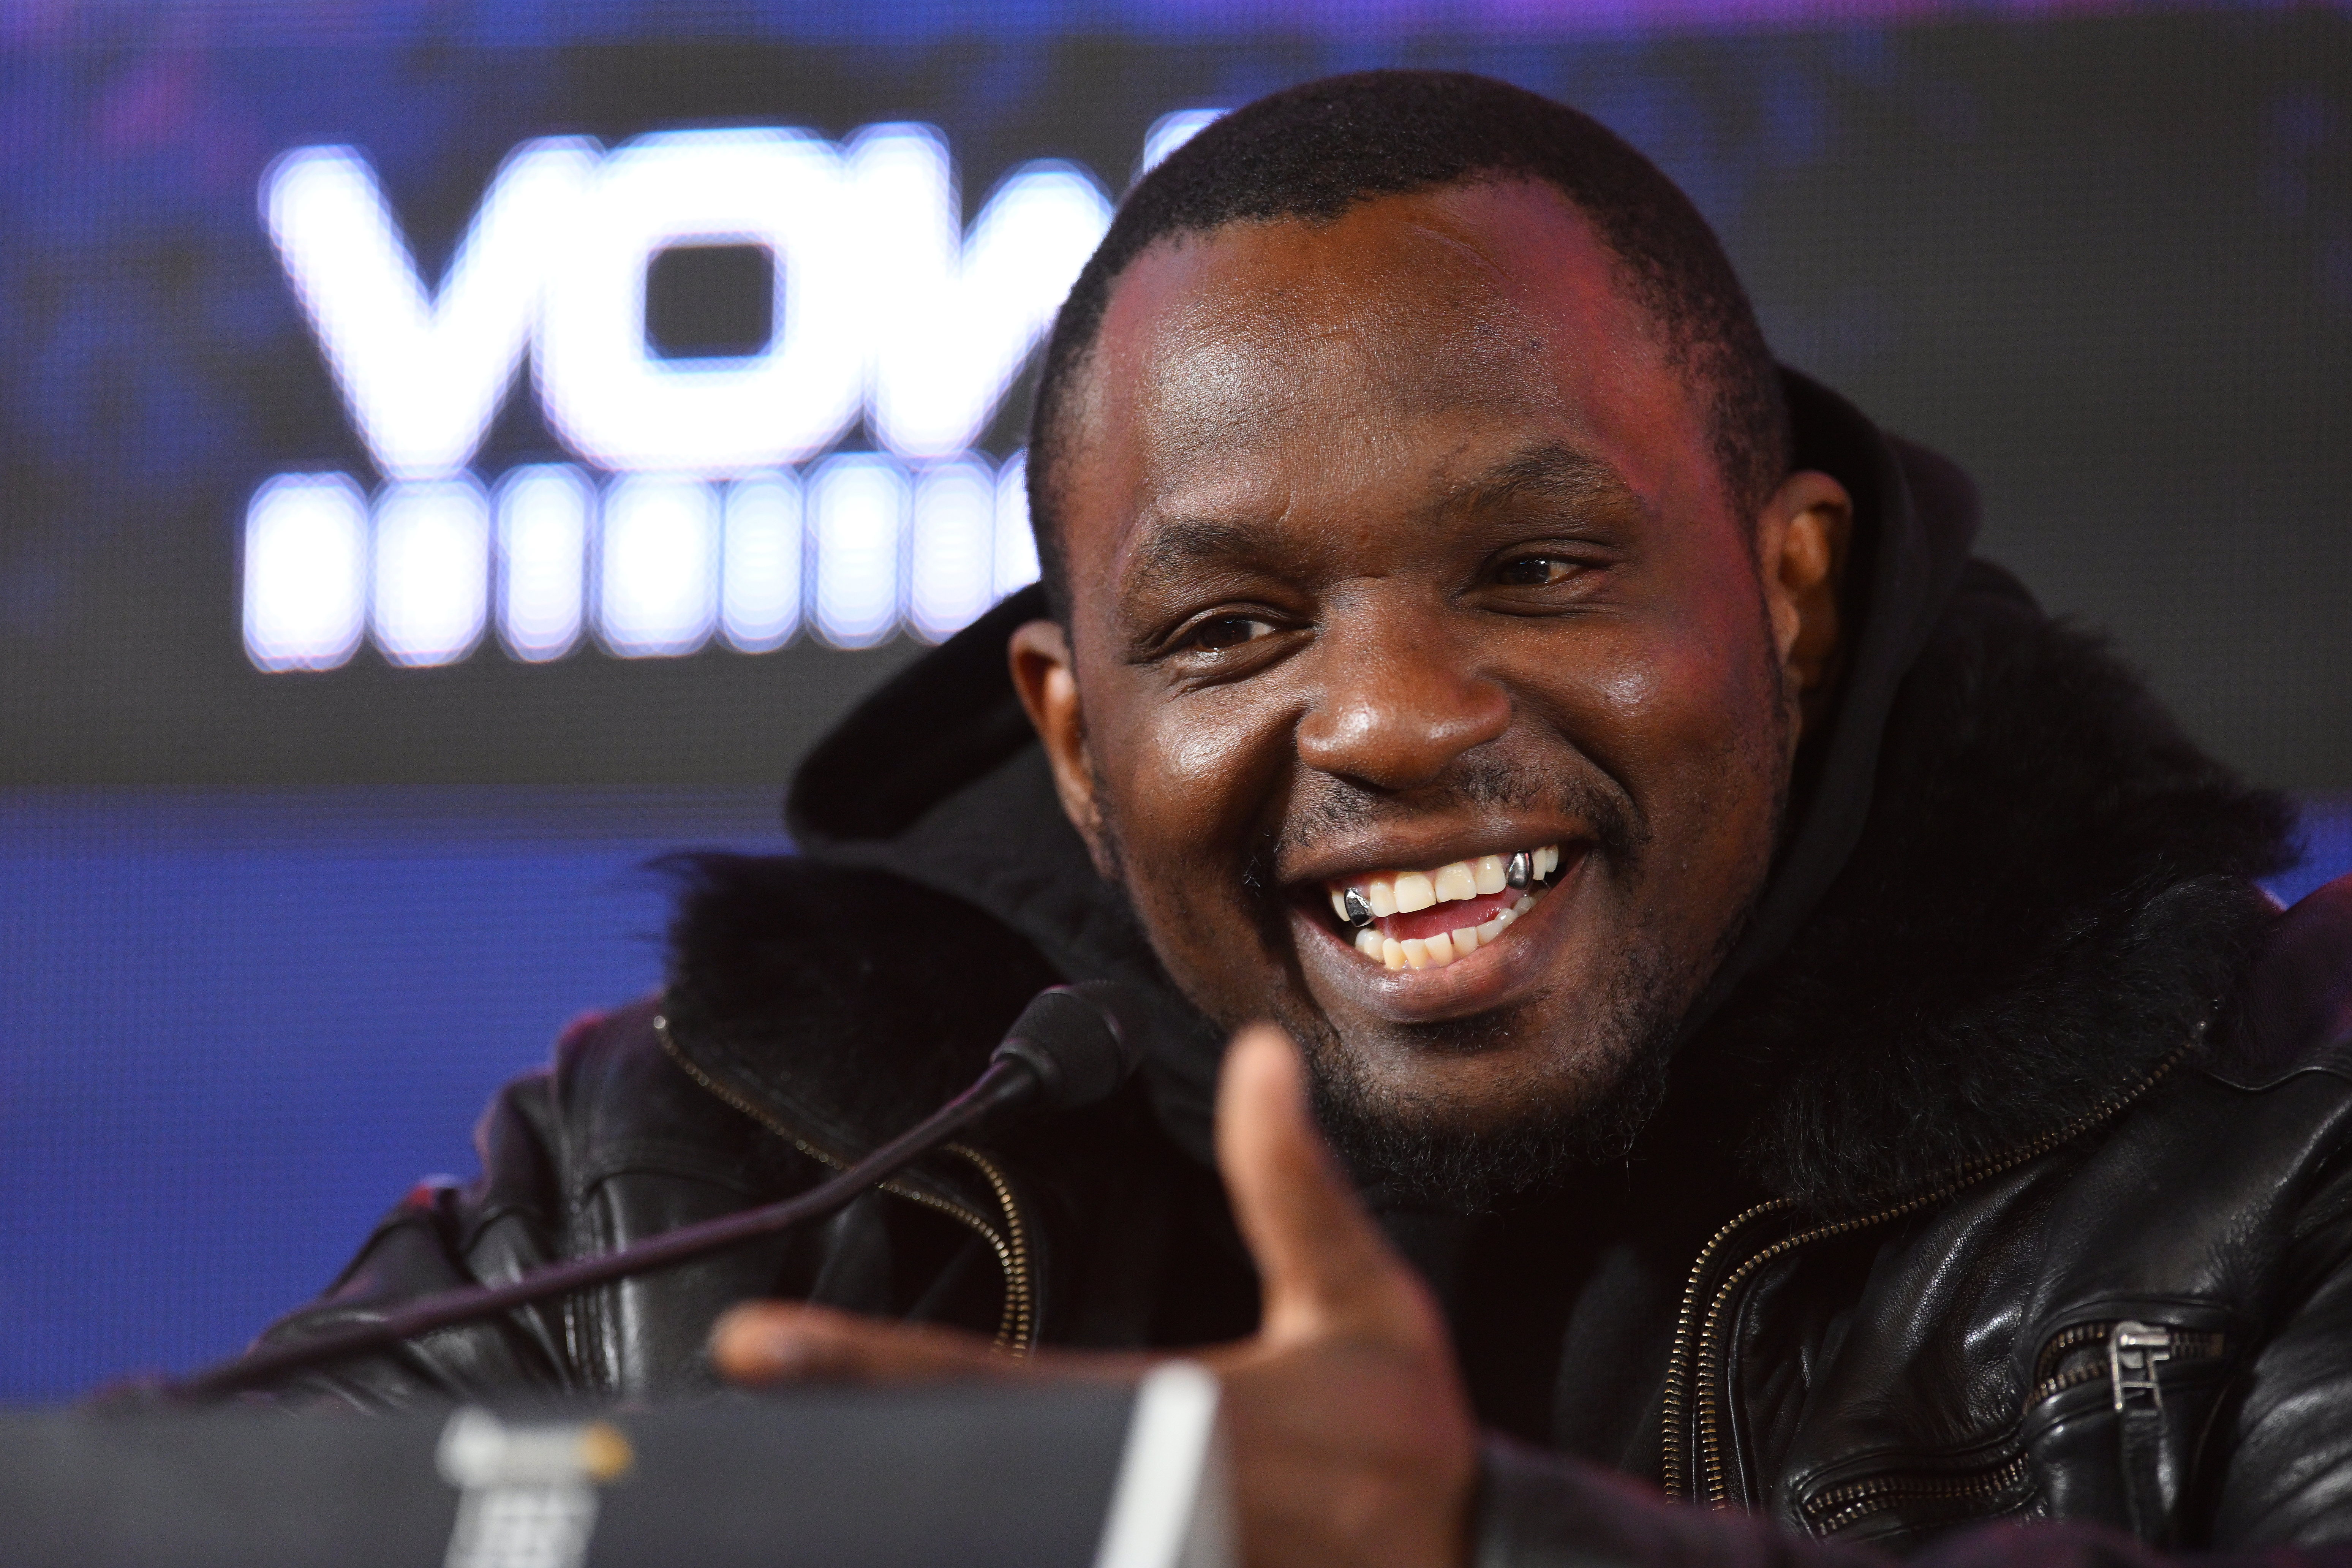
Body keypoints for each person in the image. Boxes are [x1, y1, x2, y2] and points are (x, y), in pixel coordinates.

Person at [256, 71, 2352, 1566]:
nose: (1395, 720)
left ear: (1790, 600)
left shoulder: (2281, 1148)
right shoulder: (699, 1190)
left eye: (1537, 570)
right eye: (1235, 625)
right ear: (1075, 743)